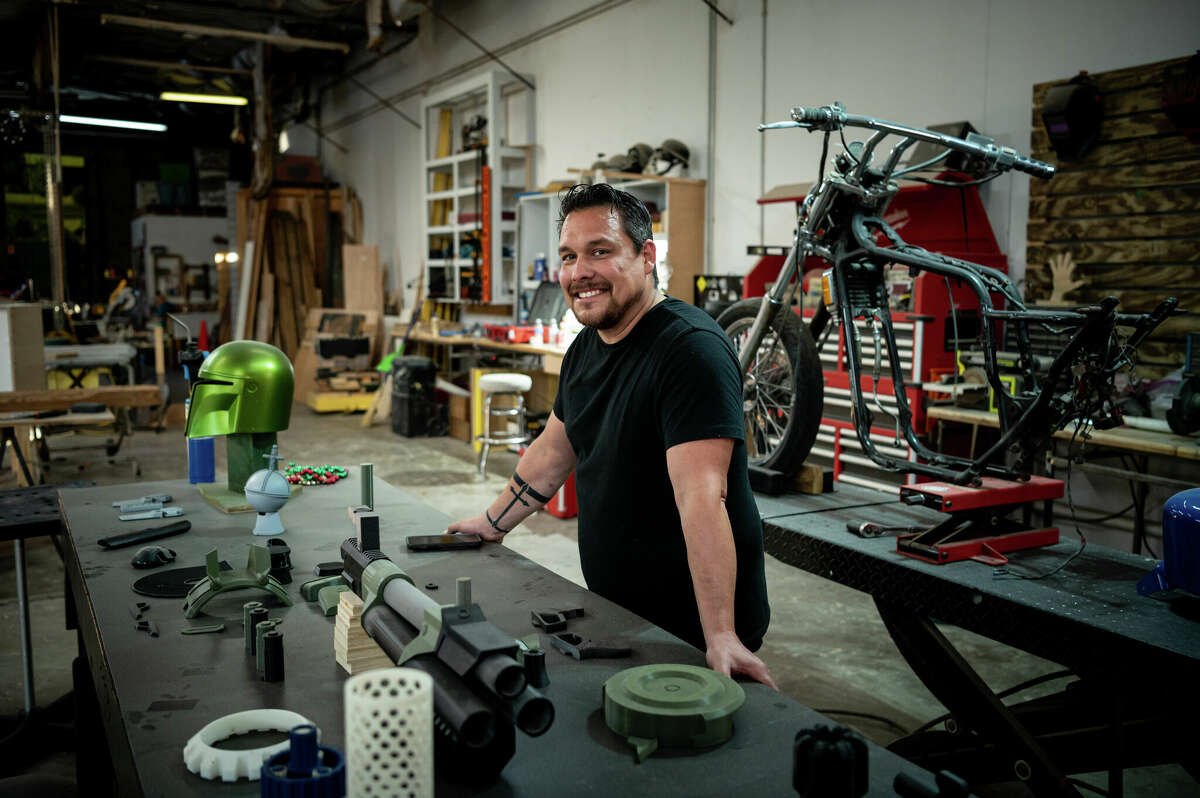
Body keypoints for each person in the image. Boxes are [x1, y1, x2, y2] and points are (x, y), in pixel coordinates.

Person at [448, 183, 775, 687]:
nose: (580, 273)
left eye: (600, 251)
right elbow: (554, 452)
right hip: (617, 615)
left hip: (691, 632)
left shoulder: (690, 351)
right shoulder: (587, 347)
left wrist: (722, 635)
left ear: (646, 257)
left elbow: (702, 500)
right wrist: (493, 523)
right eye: (569, 256)